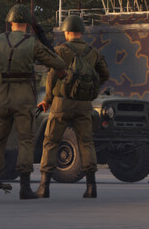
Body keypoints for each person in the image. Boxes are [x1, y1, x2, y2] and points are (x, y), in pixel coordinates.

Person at [0, 4, 69, 201]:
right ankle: (24, 187)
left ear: (10, 22)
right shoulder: (32, 43)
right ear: (27, 24)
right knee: (25, 141)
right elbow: (58, 63)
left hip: (1, 96)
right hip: (23, 96)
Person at [41, 15, 107, 199]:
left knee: (51, 141)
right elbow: (104, 74)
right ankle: (91, 187)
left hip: (61, 103)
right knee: (86, 142)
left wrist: (47, 99)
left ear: (67, 32)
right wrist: (90, 89)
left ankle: (44, 187)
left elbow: (51, 77)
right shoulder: (93, 52)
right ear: (81, 32)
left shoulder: (60, 51)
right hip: (84, 104)